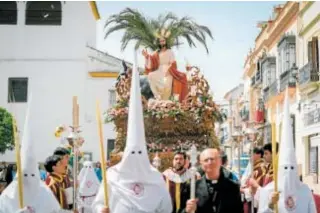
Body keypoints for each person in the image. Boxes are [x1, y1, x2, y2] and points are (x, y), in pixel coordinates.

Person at [92, 52, 172, 213]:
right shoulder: (112, 176)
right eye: (132, 152)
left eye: (139, 152)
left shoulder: (155, 177)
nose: (135, 156)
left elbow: (166, 208)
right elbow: (98, 203)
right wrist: (101, 209)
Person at [257, 90, 317, 213]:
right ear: (279, 169)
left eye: (291, 168)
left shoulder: (305, 190)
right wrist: (270, 204)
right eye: (285, 168)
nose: (288, 171)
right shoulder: (268, 190)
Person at [0, 98, 61, 213]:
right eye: (25, 175)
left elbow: (56, 211)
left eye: (32, 175)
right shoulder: (7, 196)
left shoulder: (45, 193)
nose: (28, 179)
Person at [183, 148, 244, 213]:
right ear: (201, 164)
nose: (209, 162)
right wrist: (187, 210)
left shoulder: (233, 187)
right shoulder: (192, 188)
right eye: (206, 160)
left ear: (220, 161)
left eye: (212, 159)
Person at [142, 28, 188, 102]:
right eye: (160, 41)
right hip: (159, 70)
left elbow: (172, 63)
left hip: (168, 70)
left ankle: (165, 100)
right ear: (159, 43)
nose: (162, 42)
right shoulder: (157, 53)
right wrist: (146, 56)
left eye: (163, 41)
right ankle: (157, 96)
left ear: (165, 42)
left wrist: (168, 70)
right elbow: (151, 60)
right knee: (150, 75)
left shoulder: (170, 52)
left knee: (167, 84)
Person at [241, 147, 265, 213]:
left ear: (259, 155)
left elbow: (256, 188)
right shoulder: (254, 167)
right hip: (249, 199)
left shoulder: (260, 169)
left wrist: (243, 190)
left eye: (252, 154)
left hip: (254, 201)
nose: (250, 157)